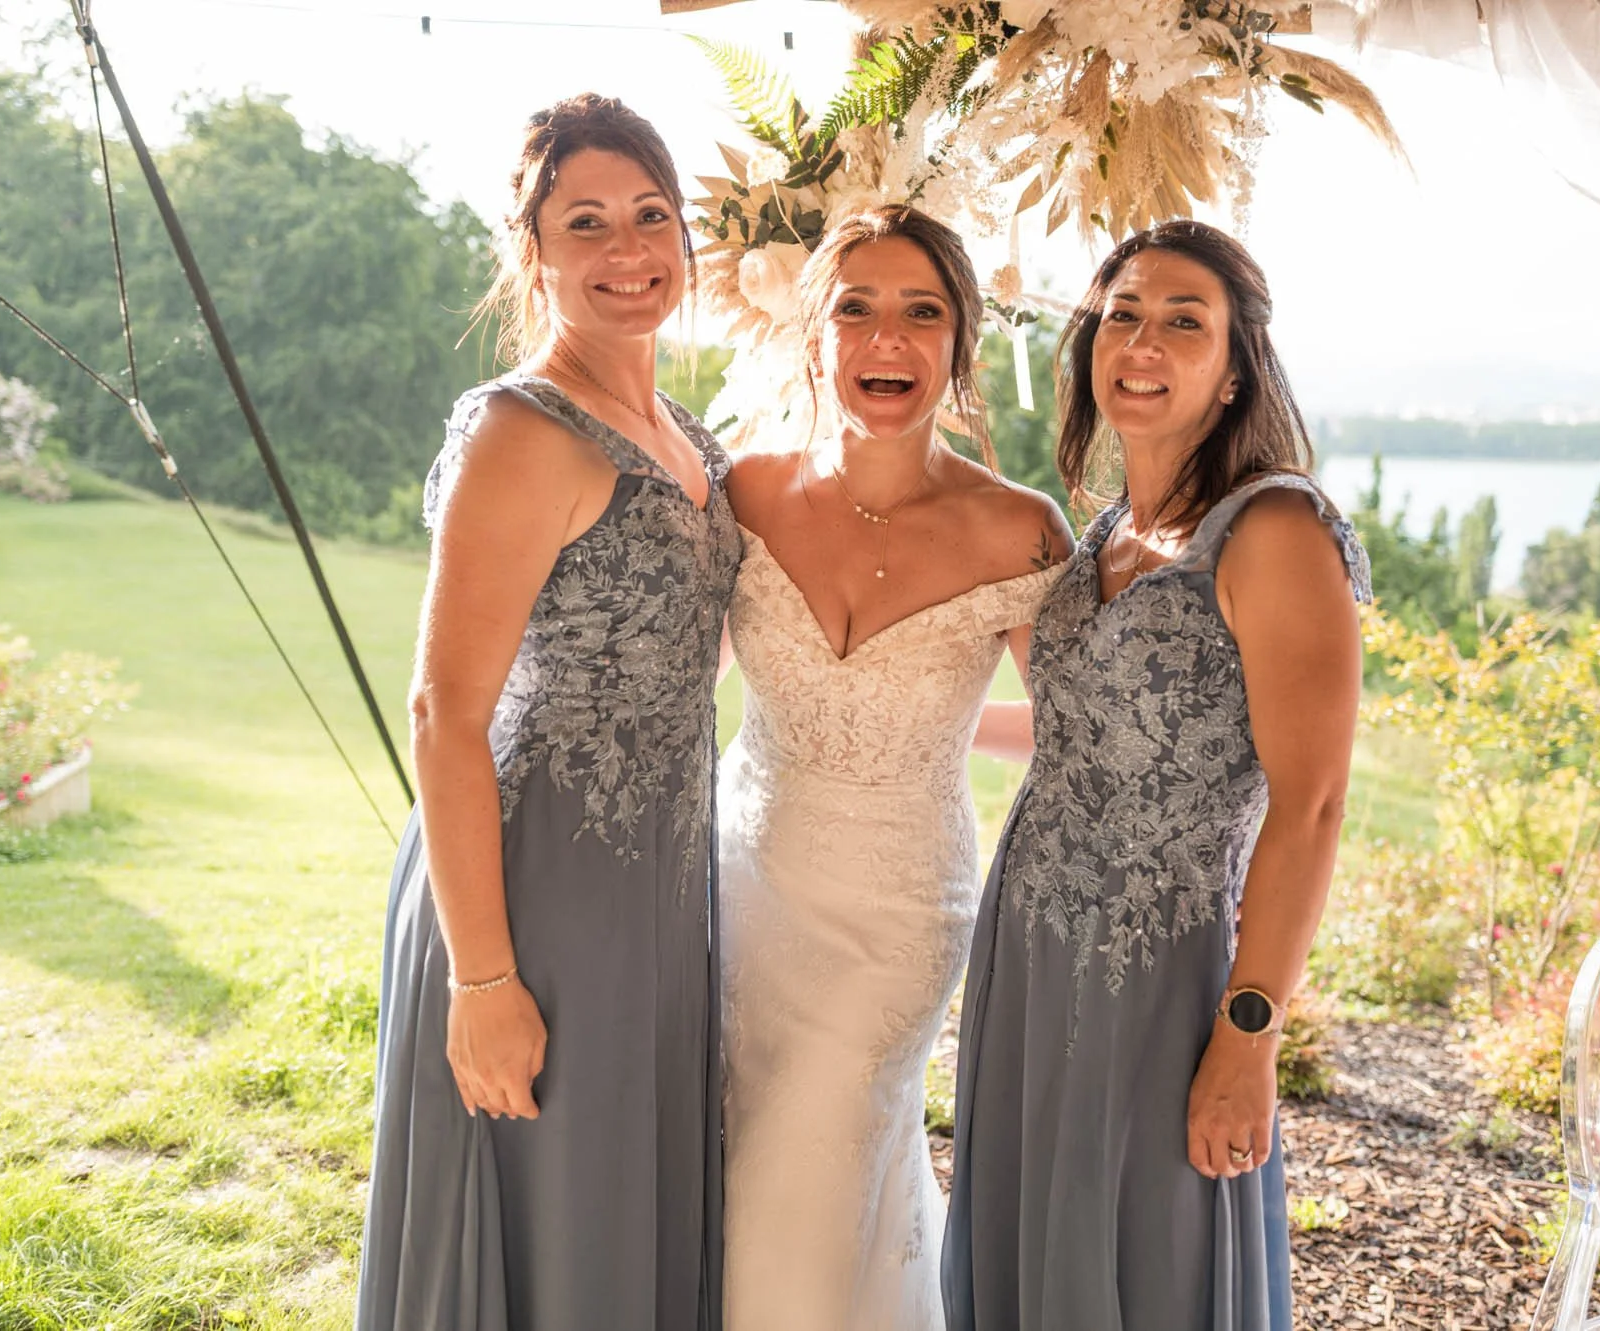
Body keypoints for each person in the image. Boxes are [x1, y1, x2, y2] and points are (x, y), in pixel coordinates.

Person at [942, 219, 1371, 1331]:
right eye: (1122, 312)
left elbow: (1311, 800)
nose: (1143, 339)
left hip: (1161, 975)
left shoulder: (1271, 529)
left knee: (1145, 1257)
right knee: (1031, 1247)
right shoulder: (1102, 537)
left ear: (1233, 374)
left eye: (1184, 321)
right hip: (1029, 952)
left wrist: (1247, 1032)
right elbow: (1077, 733)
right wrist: (880, 722)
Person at [356, 93, 738, 1331]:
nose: (628, 251)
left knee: (619, 1219)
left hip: (657, 890)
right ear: (533, 252)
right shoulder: (522, 430)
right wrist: (482, 978)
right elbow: (441, 711)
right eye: (587, 223)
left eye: (650, 217)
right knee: (548, 1226)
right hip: (530, 892)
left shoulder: (686, 434)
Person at [717, 204, 1073, 1330]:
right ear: (811, 335)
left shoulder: (1019, 529)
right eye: (855, 308)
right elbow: (668, 675)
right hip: (741, 885)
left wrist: (928, 730)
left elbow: (1073, 730)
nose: (887, 340)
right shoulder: (743, 492)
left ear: (961, 344)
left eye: (922, 313)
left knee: (806, 1167)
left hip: (898, 914)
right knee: (736, 1169)